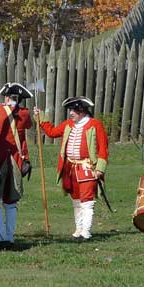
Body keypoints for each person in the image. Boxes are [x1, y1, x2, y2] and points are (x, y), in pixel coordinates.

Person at [37, 96, 109, 240]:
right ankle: (79, 229)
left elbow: (103, 148)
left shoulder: (95, 125)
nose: (71, 113)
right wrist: (40, 116)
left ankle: (86, 231)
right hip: (70, 169)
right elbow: (52, 132)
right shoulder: (68, 125)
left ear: (82, 111)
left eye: (74, 110)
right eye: (70, 110)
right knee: (76, 201)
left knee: (87, 201)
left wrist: (100, 168)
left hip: (87, 167)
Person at [0, 82, 33, 247]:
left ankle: (0, 236)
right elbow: (27, 123)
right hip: (16, 160)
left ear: (7, 96)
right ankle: (9, 236)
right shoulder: (24, 114)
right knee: (11, 201)